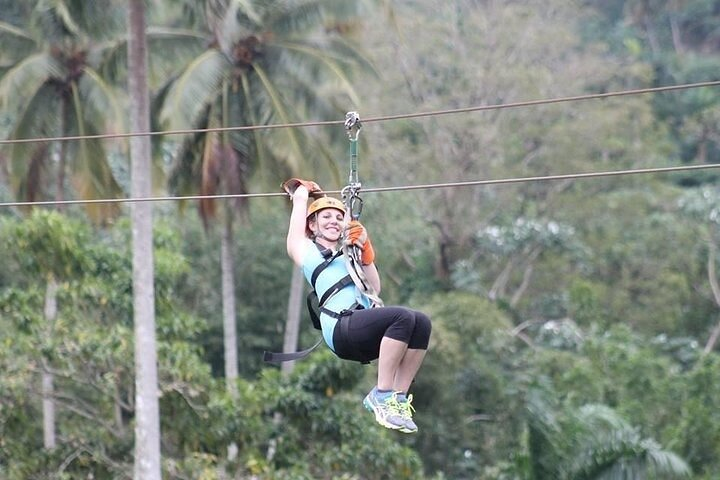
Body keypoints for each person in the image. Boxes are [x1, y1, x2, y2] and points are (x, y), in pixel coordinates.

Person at [284, 178, 432, 434]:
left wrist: (365, 250)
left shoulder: (349, 253)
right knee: (403, 317)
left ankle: (397, 399)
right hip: (341, 328)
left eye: (339, 218)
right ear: (312, 225)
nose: (333, 221)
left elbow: (375, 288)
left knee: (421, 323)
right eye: (326, 217)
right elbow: (297, 213)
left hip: (361, 330)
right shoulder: (306, 252)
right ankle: (382, 394)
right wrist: (303, 193)